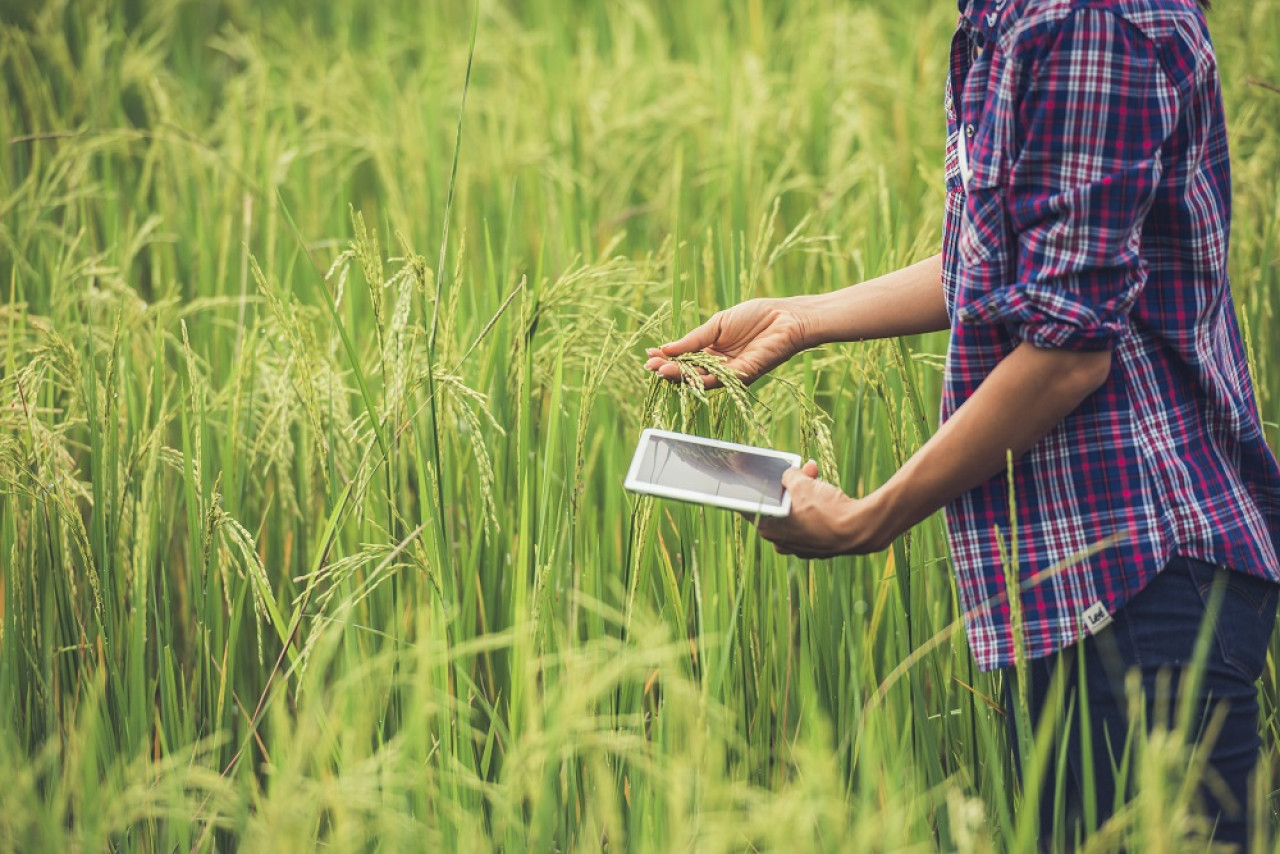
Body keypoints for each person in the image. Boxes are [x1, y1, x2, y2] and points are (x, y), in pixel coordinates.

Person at [644, 0, 1280, 847]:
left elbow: (1066, 350)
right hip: (1081, 582)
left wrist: (872, 517)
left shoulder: (1083, 20)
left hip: (1142, 579)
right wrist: (799, 318)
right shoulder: (1010, 17)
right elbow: (1020, 262)